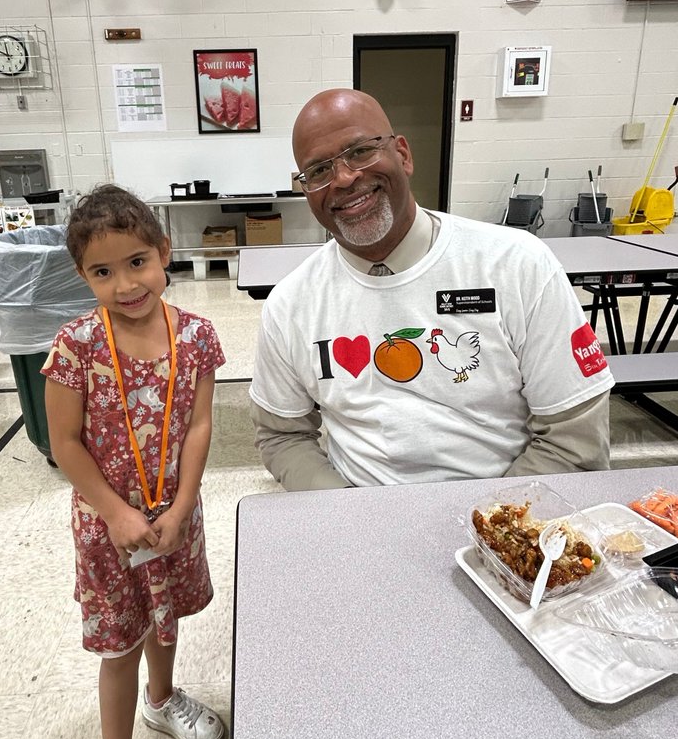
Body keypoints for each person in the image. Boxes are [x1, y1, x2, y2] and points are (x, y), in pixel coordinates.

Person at [249, 89, 613, 490]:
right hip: (360, 510)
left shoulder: (517, 265)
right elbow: (282, 436)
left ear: (402, 155)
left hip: (502, 509)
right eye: (318, 171)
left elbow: (574, 439)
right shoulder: (291, 305)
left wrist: (489, 525)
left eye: (359, 151)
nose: (345, 178)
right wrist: (344, 510)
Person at [44, 185, 226, 739]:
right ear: (82, 276)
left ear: (164, 252)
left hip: (176, 515)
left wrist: (181, 506)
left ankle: (163, 697)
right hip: (108, 528)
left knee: (165, 615)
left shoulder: (197, 336)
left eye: (137, 262)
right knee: (119, 643)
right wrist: (118, 512)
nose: (125, 284)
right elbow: (63, 442)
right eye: (103, 271)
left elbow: (200, 426)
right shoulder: (77, 345)